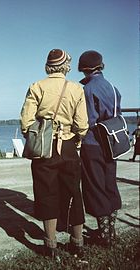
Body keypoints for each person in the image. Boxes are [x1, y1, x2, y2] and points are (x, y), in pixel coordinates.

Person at [20, 49, 88, 258]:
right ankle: (77, 242)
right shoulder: (76, 89)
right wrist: (75, 139)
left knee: (46, 193)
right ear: (66, 66)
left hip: (44, 148)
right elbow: (83, 125)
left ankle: (51, 246)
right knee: (73, 193)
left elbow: (26, 123)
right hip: (68, 146)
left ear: (48, 65)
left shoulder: (37, 87)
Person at [78, 50, 122, 247]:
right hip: (112, 142)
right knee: (109, 184)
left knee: (95, 187)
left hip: (92, 142)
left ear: (84, 69)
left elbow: (86, 120)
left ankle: (104, 237)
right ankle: (112, 232)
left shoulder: (86, 90)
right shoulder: (112, 87)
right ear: (100, 66)